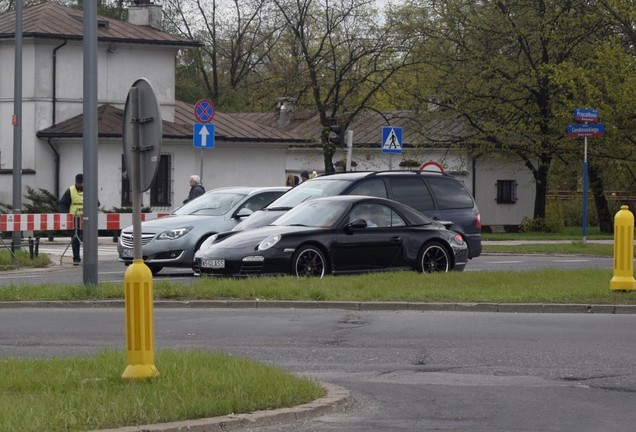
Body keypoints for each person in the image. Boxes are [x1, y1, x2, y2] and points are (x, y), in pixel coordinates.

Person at [59, 173, 84, 265]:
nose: (79, 185)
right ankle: (76, 259)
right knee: (75, 239)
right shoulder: (70, 190)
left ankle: (89, 257)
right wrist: (65, 216)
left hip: (86, 219)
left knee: (86, 239)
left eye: (81, 183)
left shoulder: (89, 190)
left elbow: (96, 203)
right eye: (78, 183)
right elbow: (63, 204)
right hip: (74, 219)